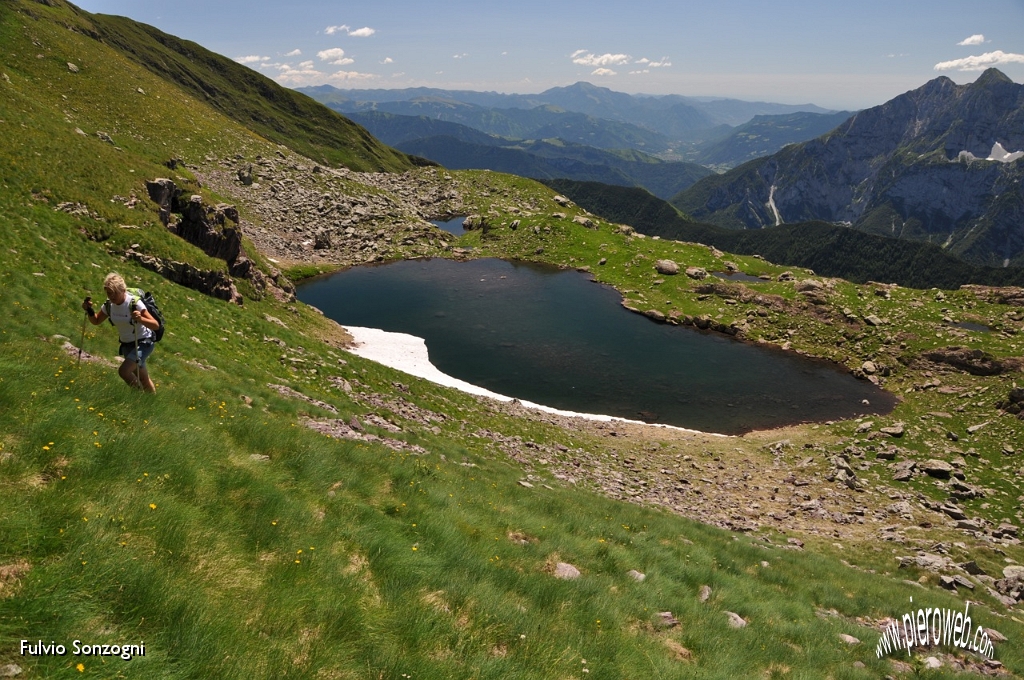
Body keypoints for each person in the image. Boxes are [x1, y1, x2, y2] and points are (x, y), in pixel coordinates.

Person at [83, 273, 159, 393]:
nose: (111, 296)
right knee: (143, 379)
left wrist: (140, 319)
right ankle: (153, 403)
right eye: (108, 293)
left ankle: (139, 398)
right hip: (127, 345)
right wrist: (89, 310)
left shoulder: (134, 303)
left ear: (123, 290)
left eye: (115, 293)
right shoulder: (109, 305)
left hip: (143, 342)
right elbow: (96, 321)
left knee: (124, 371)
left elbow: (155, 325)